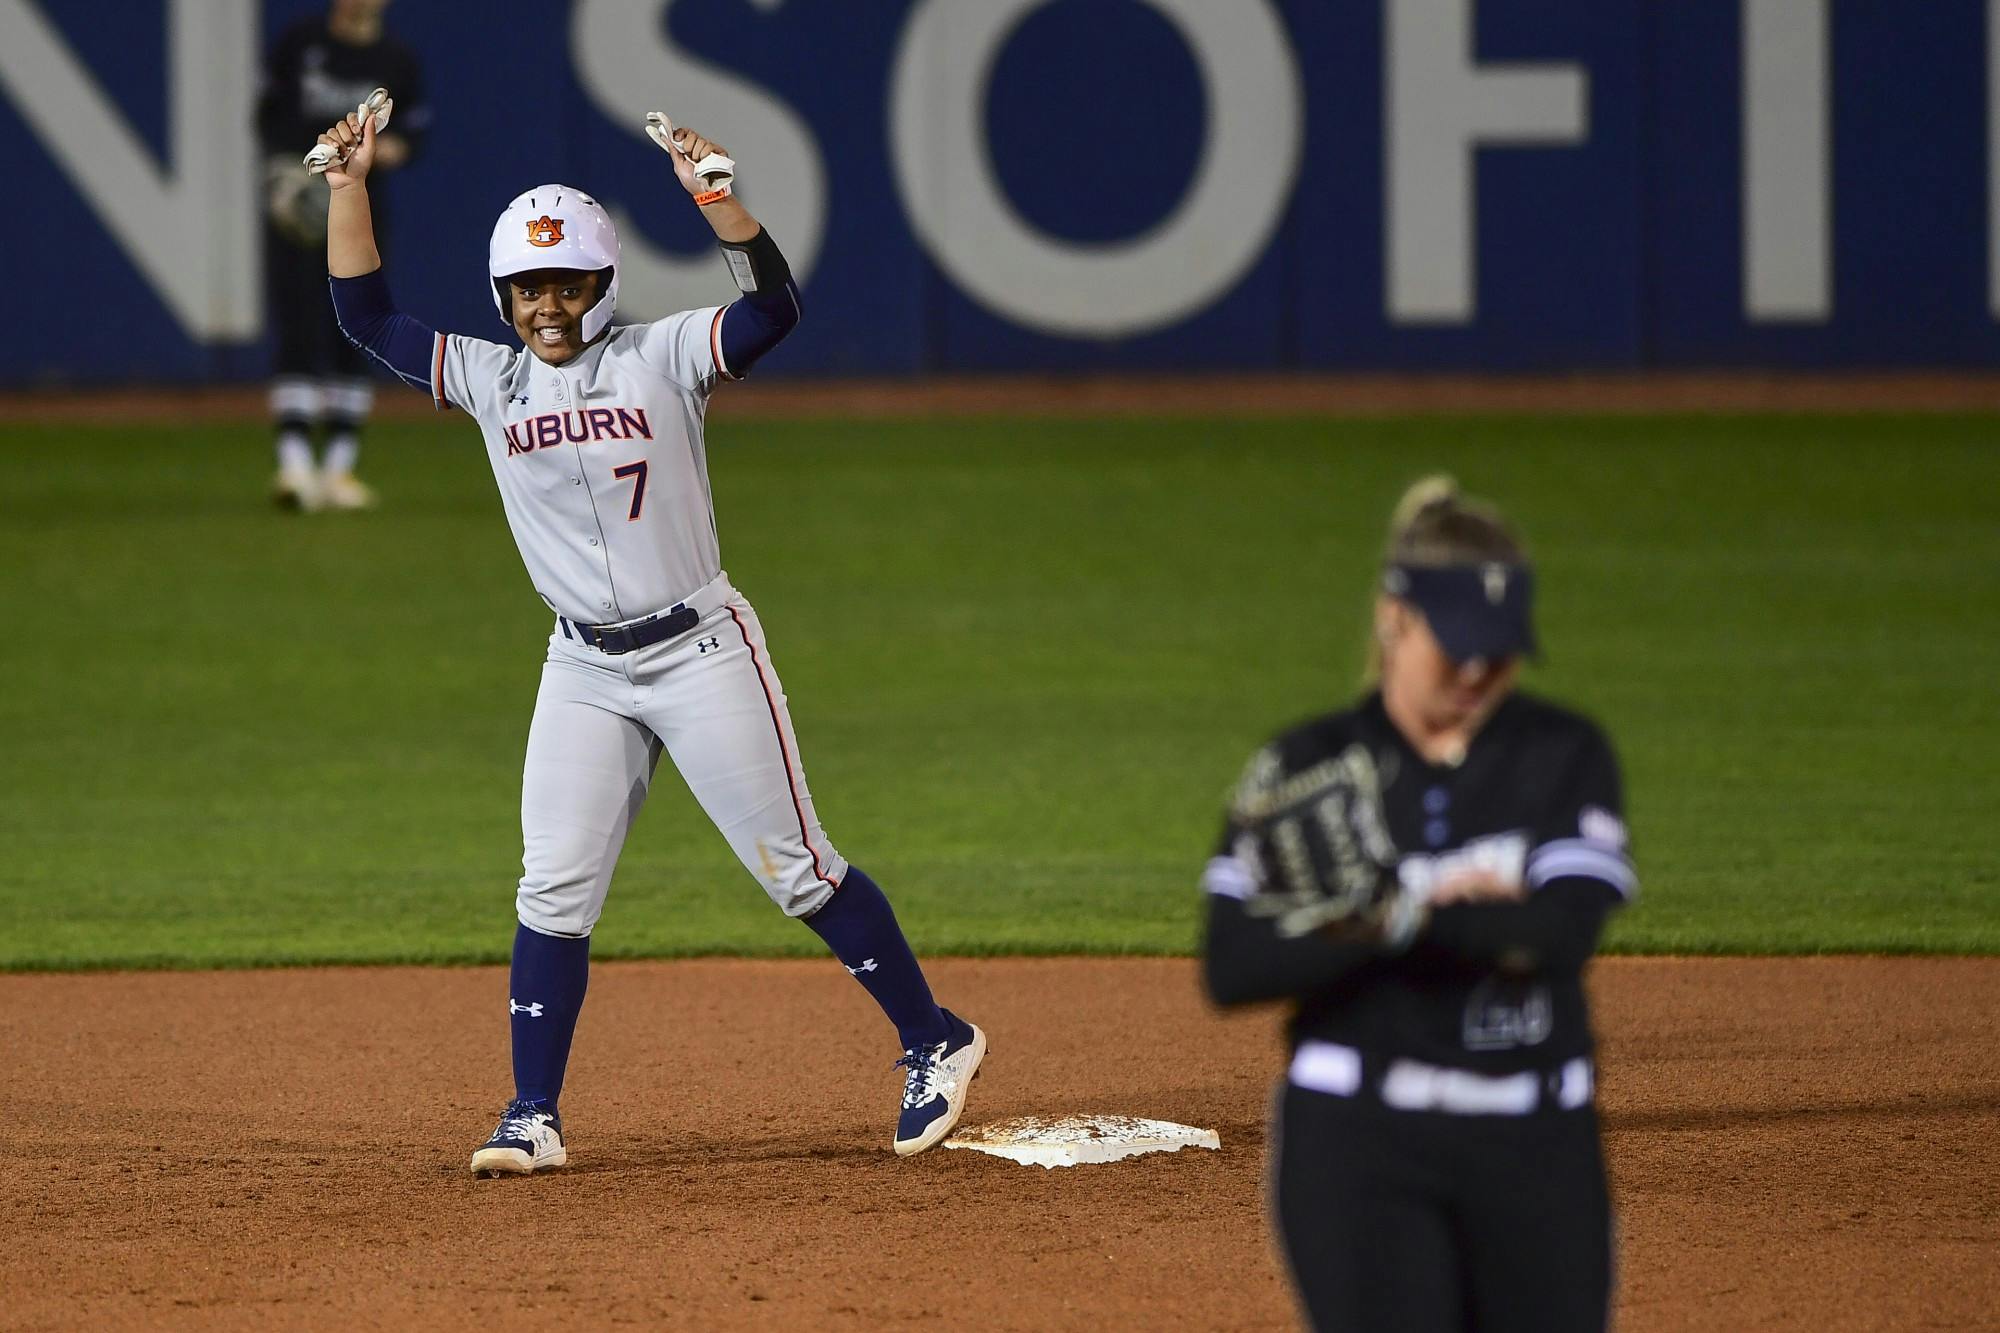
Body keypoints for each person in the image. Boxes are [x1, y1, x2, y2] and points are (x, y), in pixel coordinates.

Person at [308, 103, 986, 1173]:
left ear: (602, 286)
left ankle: (934, 1036)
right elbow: (365, 318)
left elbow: (772, 311)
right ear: (505, 296)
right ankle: (533, 1111)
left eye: (567, 283)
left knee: (797, 871)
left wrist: (717, 202)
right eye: (529, 287)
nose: (546, 305)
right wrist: (347, 185)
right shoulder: (492, 380)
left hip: (701, 650)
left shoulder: (664, 354)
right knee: (553, 887)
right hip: (581, 665)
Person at [1201, 477, 1635, 1332]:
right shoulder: (1306, 766)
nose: (1478, 671)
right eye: (1459, 645)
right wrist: (1429, 913)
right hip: (1362, 1147)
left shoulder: (1562, 752)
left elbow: (1558, 931)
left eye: (1500, 648)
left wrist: (1382, 917)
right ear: (1395, 619)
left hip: (1539, 1148)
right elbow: (1234, 964)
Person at [257, 0, 426, 511]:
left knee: (356, 328)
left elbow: (414, 136)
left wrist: (387, 149)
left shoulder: (397, 59)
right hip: (302, 209)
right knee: (300, 325)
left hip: (361, 210)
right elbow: (267, 118)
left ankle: (337, 471)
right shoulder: (301, 43)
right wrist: (284, 179)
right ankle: (293, 467)